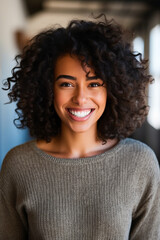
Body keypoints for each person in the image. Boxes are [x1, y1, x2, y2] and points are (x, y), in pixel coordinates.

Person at [0, 15, 160, 240]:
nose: (80, 98)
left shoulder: (140, 163)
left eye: (94, 84)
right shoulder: (18, 165)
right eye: (66, 84)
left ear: (112, 90)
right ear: (47, 89)